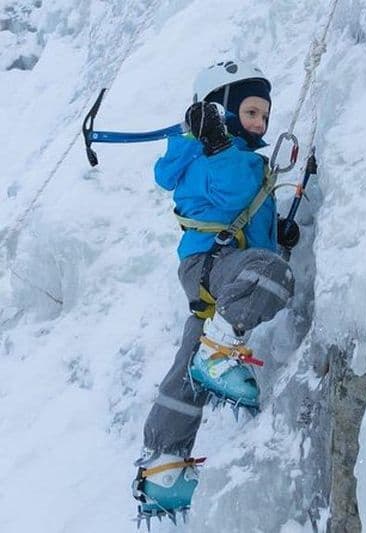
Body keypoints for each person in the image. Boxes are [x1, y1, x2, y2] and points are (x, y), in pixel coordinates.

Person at [131, 60, 301, 521]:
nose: (260, 123)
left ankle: (163, 465)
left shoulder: (226, 156)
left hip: (219, 268)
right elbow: (232, 191)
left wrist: (277, 232)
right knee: (271, 274)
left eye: (264, 115)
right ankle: (220, 352)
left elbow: (239, 206)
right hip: (214, 264)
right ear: (220, 111)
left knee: (188, 363)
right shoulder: (209, 157)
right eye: (250, 112)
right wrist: (216, 143)